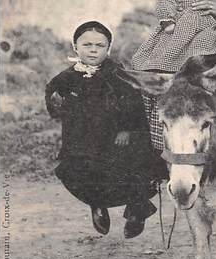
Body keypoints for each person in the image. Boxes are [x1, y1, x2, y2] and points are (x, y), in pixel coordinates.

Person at [45, 21, 163, 239]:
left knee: (132, 167)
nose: (92, 50)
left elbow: (135, 104)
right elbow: (52, 98)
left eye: (99, 45)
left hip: (117, 139)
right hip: (82, 139)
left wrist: (126, 129)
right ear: (75, 47)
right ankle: (96, 203)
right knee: (78, 170)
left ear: (108, 48)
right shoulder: (66, 78)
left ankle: (137, 208)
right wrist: (56, 102)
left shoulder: (118, 75)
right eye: (87, 44)